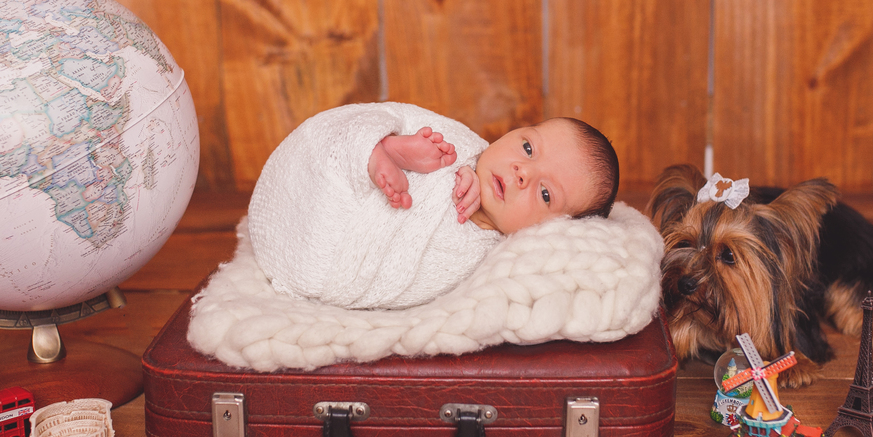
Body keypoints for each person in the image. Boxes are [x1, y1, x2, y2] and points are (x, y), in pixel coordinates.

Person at [247, 102, 618, 310]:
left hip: (333, 255)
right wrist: (455, 168)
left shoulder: (499, 262)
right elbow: (391, 111)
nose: (523, 172)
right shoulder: (459, 145)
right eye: (527, 148)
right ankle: (383, 148)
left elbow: (429, 293)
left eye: (546, 194)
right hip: (308, 191)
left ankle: (384, 155)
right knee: (364, 142)